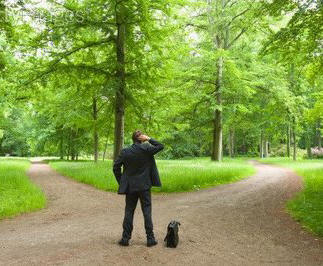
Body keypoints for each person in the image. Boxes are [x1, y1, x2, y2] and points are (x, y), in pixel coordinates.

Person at [113, 130, 164, 247]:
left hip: (130, 187)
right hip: (145, 186)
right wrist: (149, 139)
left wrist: (122, 182)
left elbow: (116, 167)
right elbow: (161, 146)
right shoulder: (147, 150)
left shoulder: (125, 152)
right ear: (141, 139)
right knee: (147, 211)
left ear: (132, 139)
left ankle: (125, 239)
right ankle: (150, 239)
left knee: (129, 211)